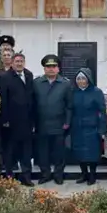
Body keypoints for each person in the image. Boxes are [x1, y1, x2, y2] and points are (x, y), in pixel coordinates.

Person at [32, 55, 72, 185]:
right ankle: (45, 174)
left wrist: (67, 121)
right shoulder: (37, 83)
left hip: (59, 124)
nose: (51, 69)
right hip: (41, 123)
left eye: (53, 66)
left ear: (58, 69)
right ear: (44, 69)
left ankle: (58, 174)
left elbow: (69, 105)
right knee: (43, 152)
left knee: (59, 152)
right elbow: (32, 103)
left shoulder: (65, 83)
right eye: (48, 67)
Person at [0, 52, 35, 185]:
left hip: (26, 120)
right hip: (11, 121)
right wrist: (4, 119)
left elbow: (32, 97)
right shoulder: (4, 77)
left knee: (26, 150)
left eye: (21, 61)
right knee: (10, 151)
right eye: (17, 61)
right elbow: (2, 99)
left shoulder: (29, 75)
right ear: (12, 63)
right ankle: (9, 178)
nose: (19, 64)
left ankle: (26, 177)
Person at [70, 69, 106, 185]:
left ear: (88, 79)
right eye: (78, 79)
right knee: (79, 151)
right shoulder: (73, 92)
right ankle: (83, 174)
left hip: (92, 126)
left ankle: (92, 175)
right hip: (77, 127)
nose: (81, 81)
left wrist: (102, 128)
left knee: (92, 152)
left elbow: (102, 111)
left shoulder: (96, 92)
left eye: (83, 78)